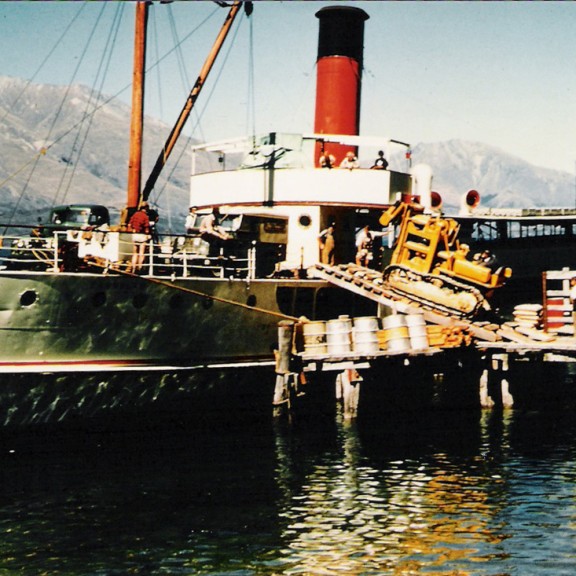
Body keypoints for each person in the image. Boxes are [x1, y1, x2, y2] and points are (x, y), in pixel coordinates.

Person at [128, 203, 151, 273]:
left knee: (135, 253)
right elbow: (146, 228)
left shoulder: (135, 214)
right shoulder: (145, 216)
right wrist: (148, 235)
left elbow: (130, 224)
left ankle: (133, 267)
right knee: (141, 253)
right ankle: (139, 268)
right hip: (142, 236)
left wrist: (133, 230)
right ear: (146, 208)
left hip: (135, 235)